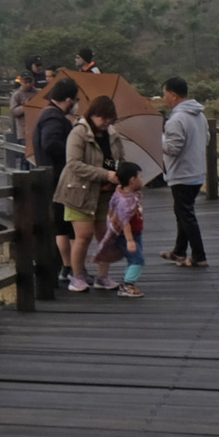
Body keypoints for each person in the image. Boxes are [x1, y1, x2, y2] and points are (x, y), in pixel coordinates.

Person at [53, 93, 121, 293]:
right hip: (78, 191)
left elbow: (119, 159)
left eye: (110, 119)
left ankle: (103, 276)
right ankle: (77, 276)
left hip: (105, 193)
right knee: (84, 235)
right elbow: (74, 164)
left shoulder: (113, 135)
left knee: (106, 236)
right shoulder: (79, 132)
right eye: (103, 118)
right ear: (93, 114)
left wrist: (120, 174)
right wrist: (106, 174)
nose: (106, 122)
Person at [159, 76, 209, 268]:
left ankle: (199, 255)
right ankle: (179, 251)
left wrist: (159, 139)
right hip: (196, 171)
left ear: (173, 95)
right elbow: (207, 138)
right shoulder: (200, 115)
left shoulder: (177, 119)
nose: (164, 99)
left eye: (165, 95)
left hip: (182, 173)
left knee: (186, 215)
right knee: (182, 212)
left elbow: (173, 148)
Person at [35, 77, 80, 283]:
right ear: (68, 99)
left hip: (52, 177)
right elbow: (50, 142)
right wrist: (73, 152)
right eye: (75, 100)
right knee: (65, 224)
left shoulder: (48, 115)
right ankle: (70, 266)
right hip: (58, 178)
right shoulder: (53, 118)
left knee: (62, 224)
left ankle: (68, 267)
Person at [93, 160, 148, 298]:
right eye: (140, 177)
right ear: (132, 180)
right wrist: (130, 240)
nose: (142, 180)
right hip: (127, 235)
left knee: (134, 259)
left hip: (136, 232)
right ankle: (127, 285)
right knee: (138, 260)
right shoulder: (125, 201)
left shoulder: (121, 192)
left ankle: (128, 282)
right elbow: (125, 222)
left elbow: (111, 208)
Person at [8, 71, 40, 167]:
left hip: (37, 129)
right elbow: (13, 111)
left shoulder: (39, 92)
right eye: (26, 82)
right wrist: (25, 107)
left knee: (37, 157)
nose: (28, 84)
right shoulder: (17, 94)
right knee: (25, 157)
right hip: (23, 132)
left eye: (30, 82)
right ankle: (24, 177)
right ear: (21, 82)